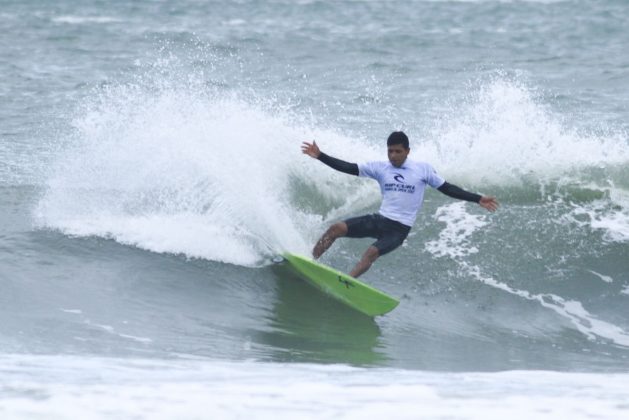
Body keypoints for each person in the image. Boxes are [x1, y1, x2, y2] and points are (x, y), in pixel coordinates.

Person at [301, 131, 498, 278]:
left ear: (407, 151)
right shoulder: (380, 168)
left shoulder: (422, 170)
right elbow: (349, 167)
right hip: (380, 220)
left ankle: (346, 282)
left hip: (398, 230)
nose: (393, 155)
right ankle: (309, 261)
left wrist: (477, 198)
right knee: (336, 228)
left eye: (398, 151)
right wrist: (320, 155)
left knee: (371, 252)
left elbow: (447, 188)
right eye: (390, 151)